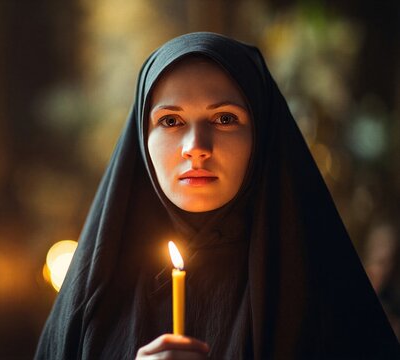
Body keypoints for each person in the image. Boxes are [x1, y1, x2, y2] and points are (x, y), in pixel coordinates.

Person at [35, 32, 400, 359]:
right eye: (171, 121)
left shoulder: (321, 293)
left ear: (262, 138)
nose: (196, 148)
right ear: (142, 141)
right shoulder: (95, 297)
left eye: (225, 119)